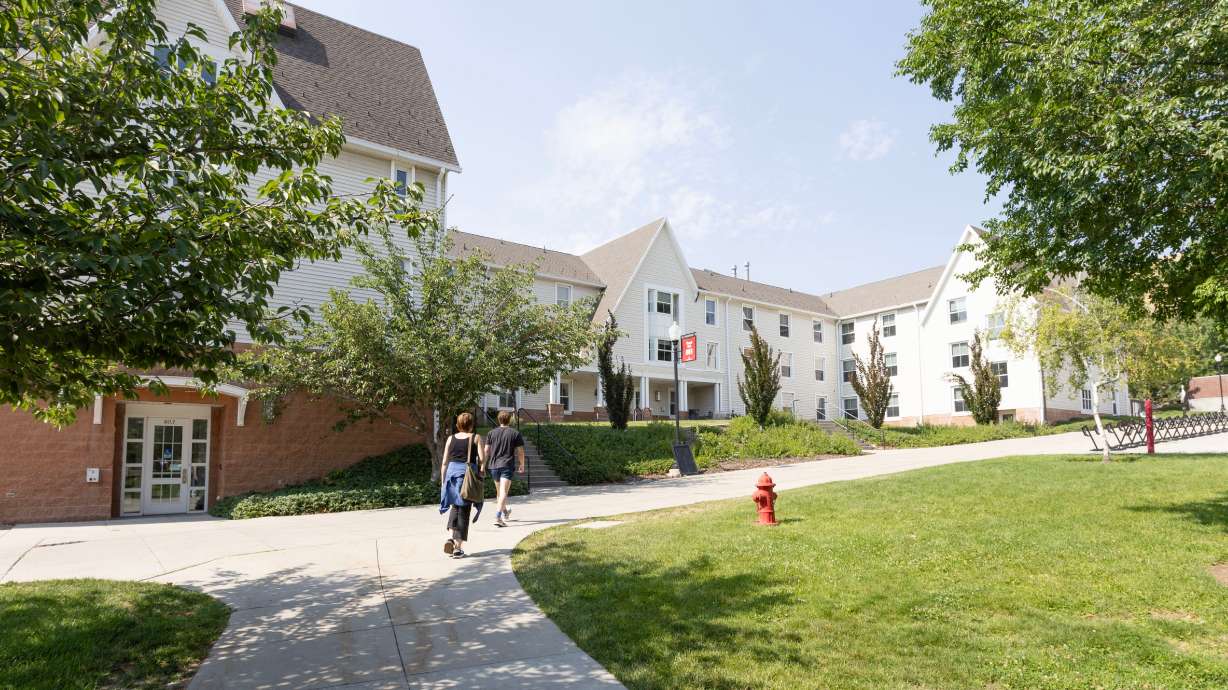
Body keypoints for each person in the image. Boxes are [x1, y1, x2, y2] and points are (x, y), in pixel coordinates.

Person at [438, 412, 485, 558]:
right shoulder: (476, 438)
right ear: (471, 424)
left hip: (451, 475)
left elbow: (445, 461)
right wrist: (482, 469)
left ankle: (451, 539)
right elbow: (482, 459)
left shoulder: (450, 438)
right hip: (466, 477)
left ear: (458, 424)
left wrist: (443, 481)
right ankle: (457, 548)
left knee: (455, 506)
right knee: (464, 509)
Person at [483, 410, 526, 527]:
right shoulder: (515, 433)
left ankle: (505, 512)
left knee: (500, 492)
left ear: (498, 419)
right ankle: (497, 517)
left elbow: (486, 450)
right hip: (507, 465)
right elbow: (520, 451)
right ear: (509, 420)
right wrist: (522, 464)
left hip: (493, 466)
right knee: (503, 492)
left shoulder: (491, 433)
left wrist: (483, 464)